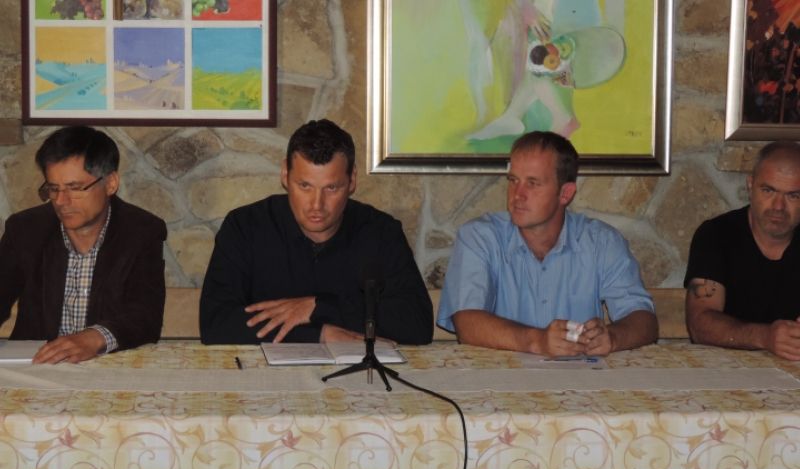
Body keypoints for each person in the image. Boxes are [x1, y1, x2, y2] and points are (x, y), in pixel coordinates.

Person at [200, 119, 433, 345]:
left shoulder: (381, 232)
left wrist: (318, 307)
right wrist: (320, 335)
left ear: (352, 180)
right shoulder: (245, 227)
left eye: (331, 188)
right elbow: (216, 323)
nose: (316, 205)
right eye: (305, 186)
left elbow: (418, 323)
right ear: (285, 175)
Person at [437, 131, 657, 357]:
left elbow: (644, 319)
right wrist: (537, 341)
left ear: (565, 194)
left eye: (532, 183)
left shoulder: (602, 242)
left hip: (581, 375)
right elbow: (467, 324)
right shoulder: (479, 237)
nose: (517, 195)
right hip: (502, 376)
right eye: (513, 180)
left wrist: (613, 337)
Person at [0, 126, 167, 363]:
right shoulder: (26, 230)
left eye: (75, 188)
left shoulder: (142, 231)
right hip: (36, 364)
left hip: (108, 364)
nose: (61, 201)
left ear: (110, 183)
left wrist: (95, 337)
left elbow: (145, 315)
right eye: (53, 189)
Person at [685, 141, 800, 360]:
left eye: (793, 195)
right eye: (768, 190)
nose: (778, 206)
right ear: (750, 186)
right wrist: (766, 337)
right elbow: (699, 323)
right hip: (727, 368)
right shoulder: (716, 234)